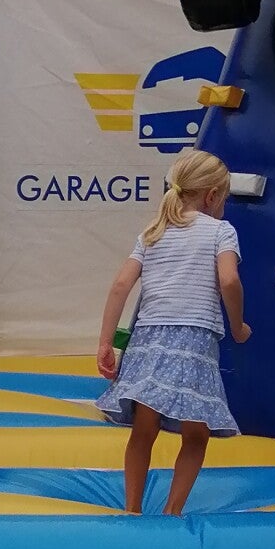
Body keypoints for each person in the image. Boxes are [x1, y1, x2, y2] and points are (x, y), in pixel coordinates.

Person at [95, 146, 249, 516]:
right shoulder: (221, 231)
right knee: (197, 435)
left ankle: (132, 508)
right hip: (193, 340)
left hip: (148, 338)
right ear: (212, 196)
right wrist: (238, 326)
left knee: (143, 429)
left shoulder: (153, 231)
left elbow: (120, 285)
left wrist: (105, 343)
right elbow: (229, 280)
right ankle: (172, 512)